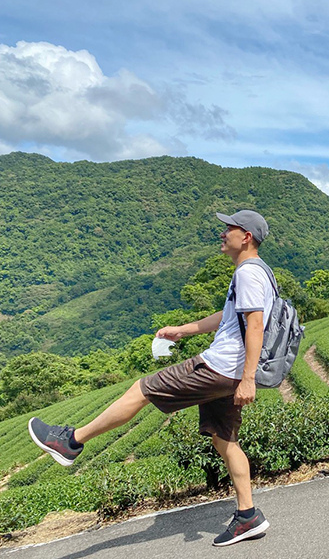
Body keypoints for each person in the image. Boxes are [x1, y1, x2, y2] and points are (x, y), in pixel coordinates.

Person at [28, 210, 276, 546]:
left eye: (228, 228)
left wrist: (248, 378)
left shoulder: (248, 272)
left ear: (246, 236)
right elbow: (230, 314)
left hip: (220, 367)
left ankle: (71, 442)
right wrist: (183, 330)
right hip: (230, 372)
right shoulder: (257, 272)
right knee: (224, 438)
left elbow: (256, 325)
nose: (222, 234)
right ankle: (248, 517)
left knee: (142, 388)